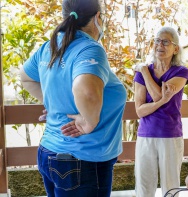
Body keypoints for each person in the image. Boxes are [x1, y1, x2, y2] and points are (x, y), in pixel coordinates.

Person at [19, 0, 127, 196]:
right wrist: (88, 123)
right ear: (97, 18)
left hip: (50, 152)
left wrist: (53, 103)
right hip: (81, 160)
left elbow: (26, 78)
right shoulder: (89, 48)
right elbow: (86, 91)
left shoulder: (49, 47)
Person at [133, 26, 188, 197]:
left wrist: (144, 71)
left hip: (170, 135)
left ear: (175, 48)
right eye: (157, 41)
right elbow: (140, 111)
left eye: (166, 42)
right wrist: (163, 101)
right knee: (144, 187)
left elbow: (157, 95)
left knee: (171, 187)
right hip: (145, 134)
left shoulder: (181, 72)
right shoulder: (143, 72)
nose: (160, 45)